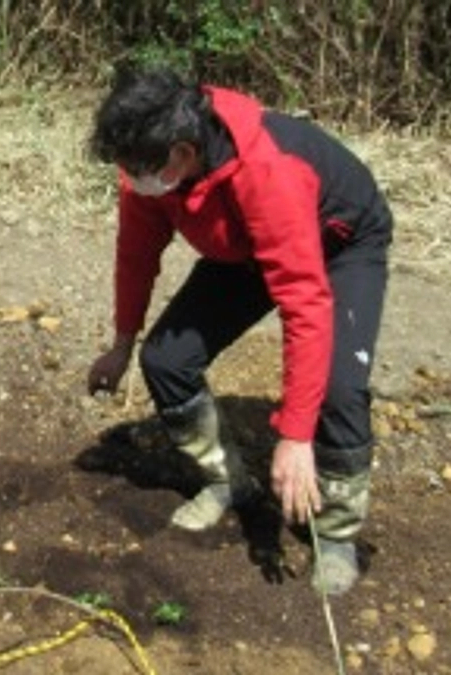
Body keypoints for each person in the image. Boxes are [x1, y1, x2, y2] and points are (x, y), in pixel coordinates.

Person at [86, 67, 392, 594]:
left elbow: (303, 300)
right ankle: (229, 481)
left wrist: (295, 436)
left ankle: (336, 533)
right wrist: (122, 342)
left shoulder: (268, 169)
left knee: (338, 389)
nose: (131, 179)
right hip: (246, 245)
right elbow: (136, 253)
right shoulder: (147, 164)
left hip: (338, 242)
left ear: (183, 153)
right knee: (165, 360)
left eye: (138, 169)